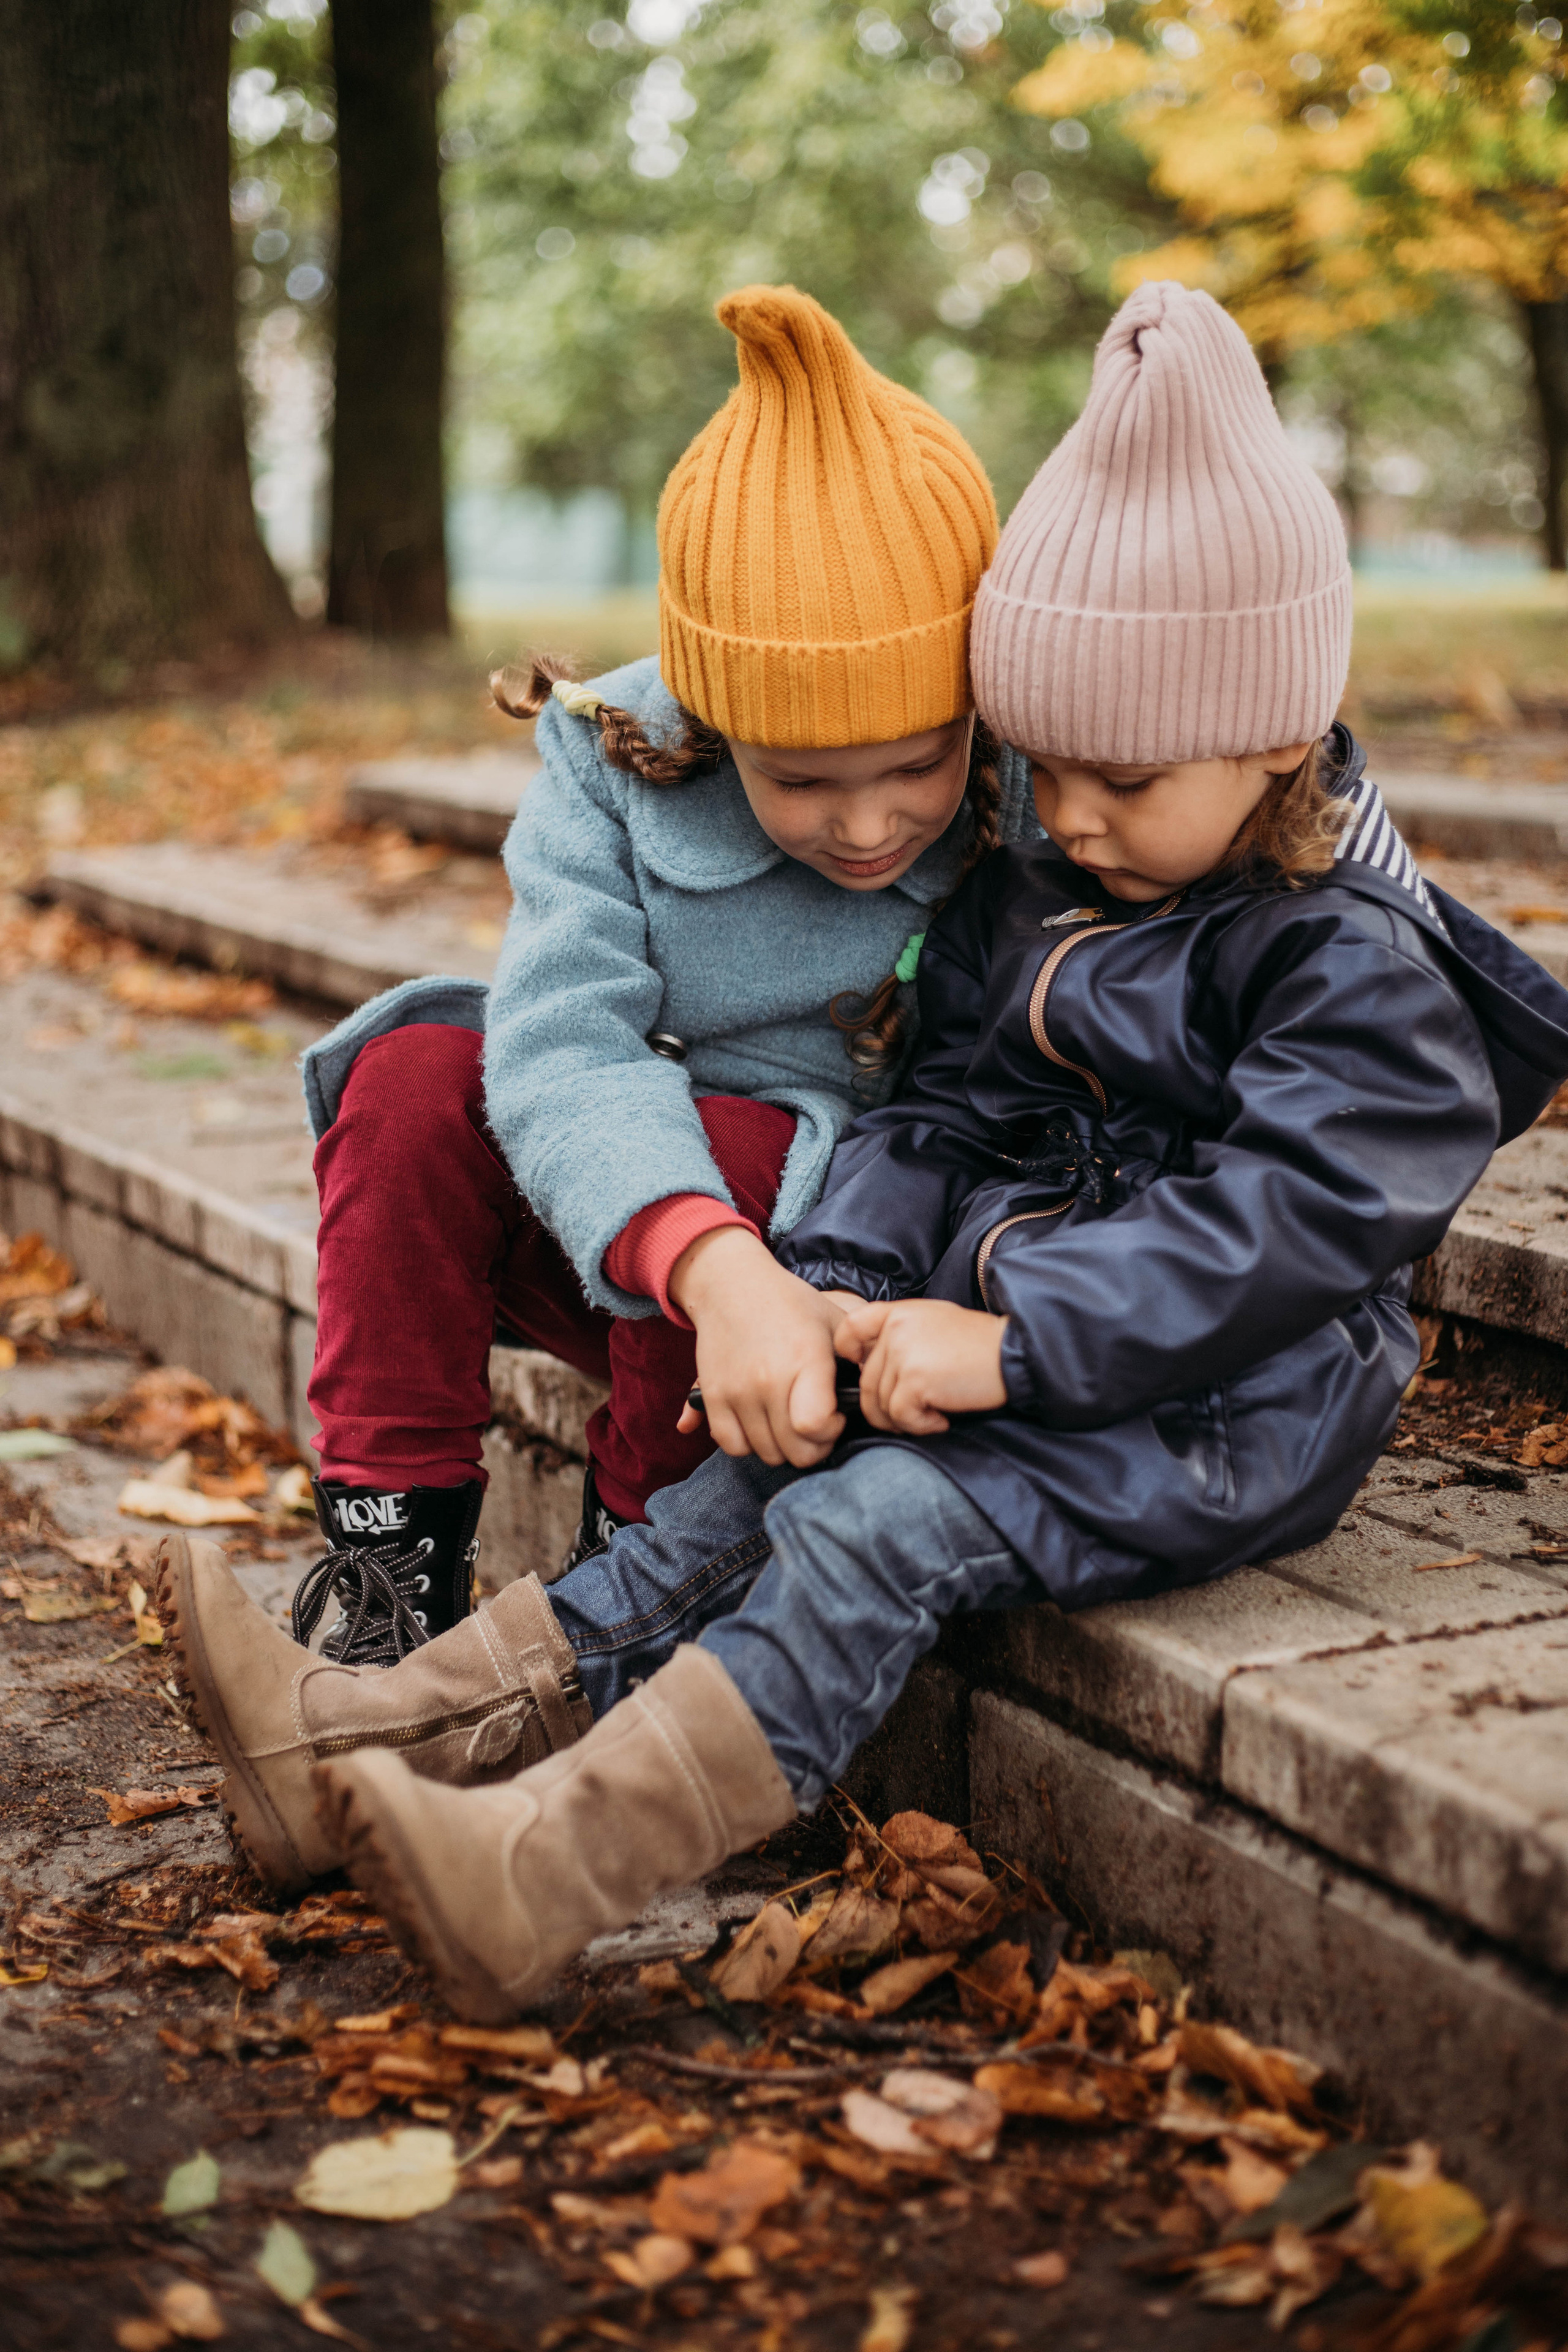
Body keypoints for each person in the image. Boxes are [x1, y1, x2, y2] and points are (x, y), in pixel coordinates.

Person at [166, 282, 1568, 2009]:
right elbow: (943, 1111)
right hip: (1005, 1337)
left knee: (869, 1521)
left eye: (1118, 780)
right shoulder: (1062, 884)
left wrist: (1015, 1343)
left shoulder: (1348, 967)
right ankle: (347, 1743)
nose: (1061, 815)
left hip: (1219, 1404)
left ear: (1277, 733)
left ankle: (543, 1874)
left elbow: (1283, 1226)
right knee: (727, 1502)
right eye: (1048, 768)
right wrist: (831, 1281)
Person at [290, 281, 1036, 1676]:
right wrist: (703, 1255)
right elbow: (564, 1040)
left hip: (848, 1277)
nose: (867, 825)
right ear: (711, 714)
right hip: (637, 1230)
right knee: (410, 1077)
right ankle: (388, 1589)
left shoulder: (1035, 778)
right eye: (800, 780)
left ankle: (619, 1596)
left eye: (916, 765)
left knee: (732, 1143)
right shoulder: (616, 757)